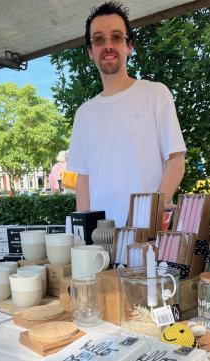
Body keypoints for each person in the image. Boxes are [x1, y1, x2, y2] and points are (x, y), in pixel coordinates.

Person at [67, 1, 186, 227]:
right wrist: (84, 240)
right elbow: (83, 181)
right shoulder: (84, 114)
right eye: (99, 39)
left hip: (147, 238)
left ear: (129, 45)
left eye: (116, 37)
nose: (108, 45)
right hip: (101, 243)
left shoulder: (155, 94)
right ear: (91, 52)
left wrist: (151, 216)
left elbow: (176, 162)